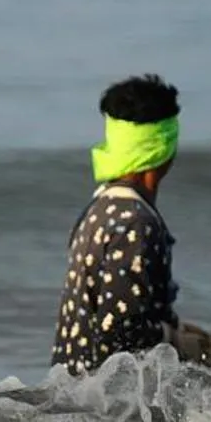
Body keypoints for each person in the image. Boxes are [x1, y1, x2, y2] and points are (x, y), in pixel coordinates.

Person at [53, 75, 187, 374]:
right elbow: (121, 335)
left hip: (72, 390)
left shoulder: (99, 208)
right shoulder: (135, 223)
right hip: (103, 406)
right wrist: (176, 340)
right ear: (164, 149)